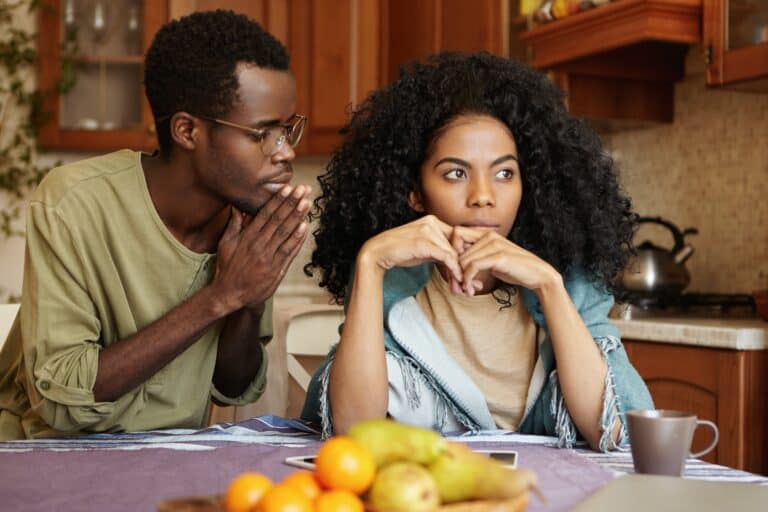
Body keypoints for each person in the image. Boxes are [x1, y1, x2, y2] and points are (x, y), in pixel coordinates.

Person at [301, 52, 653, 451]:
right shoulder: (391, 282)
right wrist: (369, 262)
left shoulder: (571, 281)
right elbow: (353, 434)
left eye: (505, 173)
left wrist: (549, 285)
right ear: (415, 192)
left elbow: (620, 431)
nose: (483, 197)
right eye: (456, 173)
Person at [0, 10, 311, 439]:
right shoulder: (75, 201)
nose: (285, 153)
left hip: (171, 460)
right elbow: (61, 402)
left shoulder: (247, 217)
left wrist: (251, 297)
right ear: (187, 131)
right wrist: (223, 295)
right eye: (263, 134)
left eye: (287, 130)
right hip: (42, 457)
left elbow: (234, 387)